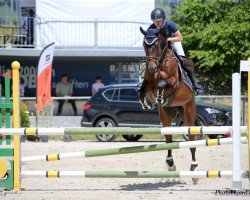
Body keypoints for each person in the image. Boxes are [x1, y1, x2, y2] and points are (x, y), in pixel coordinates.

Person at [148, 8, 204, 94]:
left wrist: (167, 39)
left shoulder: (170, 24)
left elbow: (180, 37)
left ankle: (194, 84)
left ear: (163, 19)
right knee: (153, 61)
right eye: (154, 21)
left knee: (183, 60)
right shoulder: (151, 28)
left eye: (158, 21)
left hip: (174, 42)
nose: (156, 23)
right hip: (161, 47)